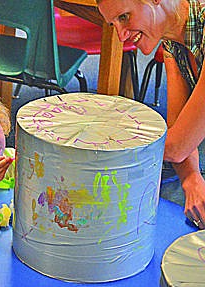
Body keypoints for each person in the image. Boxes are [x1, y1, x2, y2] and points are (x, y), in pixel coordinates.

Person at [97, 0, 205, 229]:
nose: (121, 36)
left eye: (124, 17)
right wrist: (191, 178)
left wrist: (100, 153)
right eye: (113, 24)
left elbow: (177, 146)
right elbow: (177, 127)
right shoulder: (171, 42)